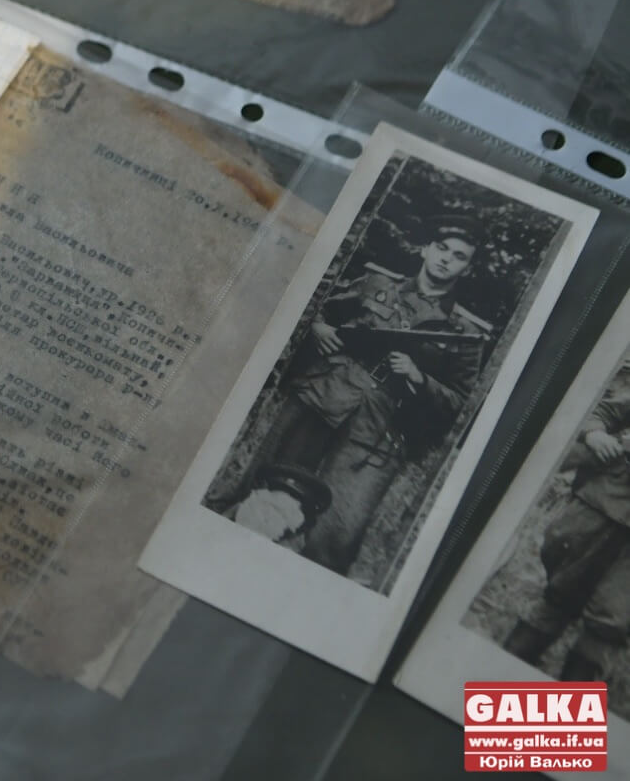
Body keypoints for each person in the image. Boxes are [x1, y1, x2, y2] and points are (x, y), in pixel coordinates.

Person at [228, 216, 489, 574]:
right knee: (262, 493)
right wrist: (318, 326)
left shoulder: (465, 333)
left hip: (380, 429)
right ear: (426, 249)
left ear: (468, 268)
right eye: (441, 248)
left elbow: (459, 400)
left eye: (459, 256)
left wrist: (420, 377)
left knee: (337, 534)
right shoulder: (377, 284)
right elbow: (318, 305)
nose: (446, 259)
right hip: (324, 397)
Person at [504, 381, 630, 682]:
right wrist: (595, 435)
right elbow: (601, 412)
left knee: (609, 622)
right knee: (559, 595)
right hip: (601, 507)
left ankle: (564, 709)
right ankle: (495, 683)